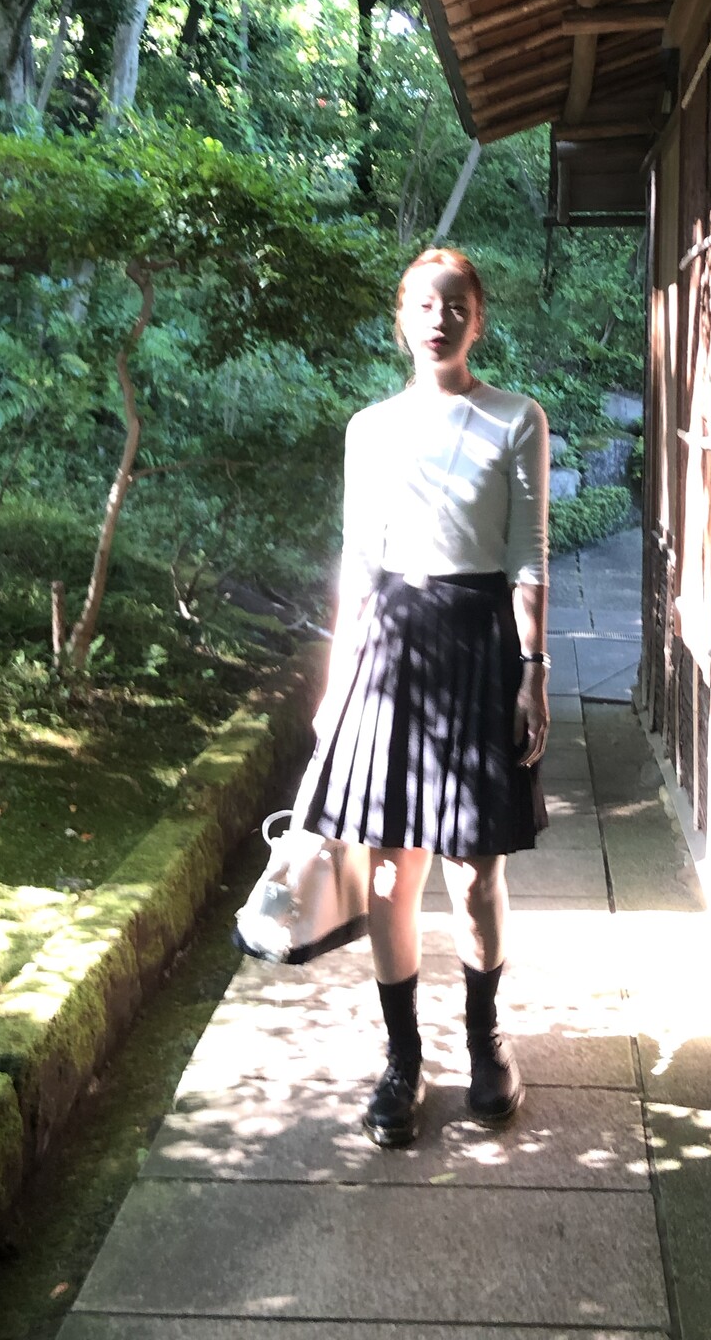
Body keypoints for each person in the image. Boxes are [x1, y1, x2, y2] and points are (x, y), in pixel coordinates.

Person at [296, 246, 550, 1148]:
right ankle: (402, 1060)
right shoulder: (370, 428)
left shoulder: (517, 417)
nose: (439, 318)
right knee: (391, 870)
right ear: (400, 319)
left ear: (478, 318)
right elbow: (358, 566)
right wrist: (335, 688)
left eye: (456, 304)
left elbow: (527, 558)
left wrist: (533, 669)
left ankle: (485, 1043)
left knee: (475, 870)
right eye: (423, 304)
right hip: (391, 647)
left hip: (481, 642)